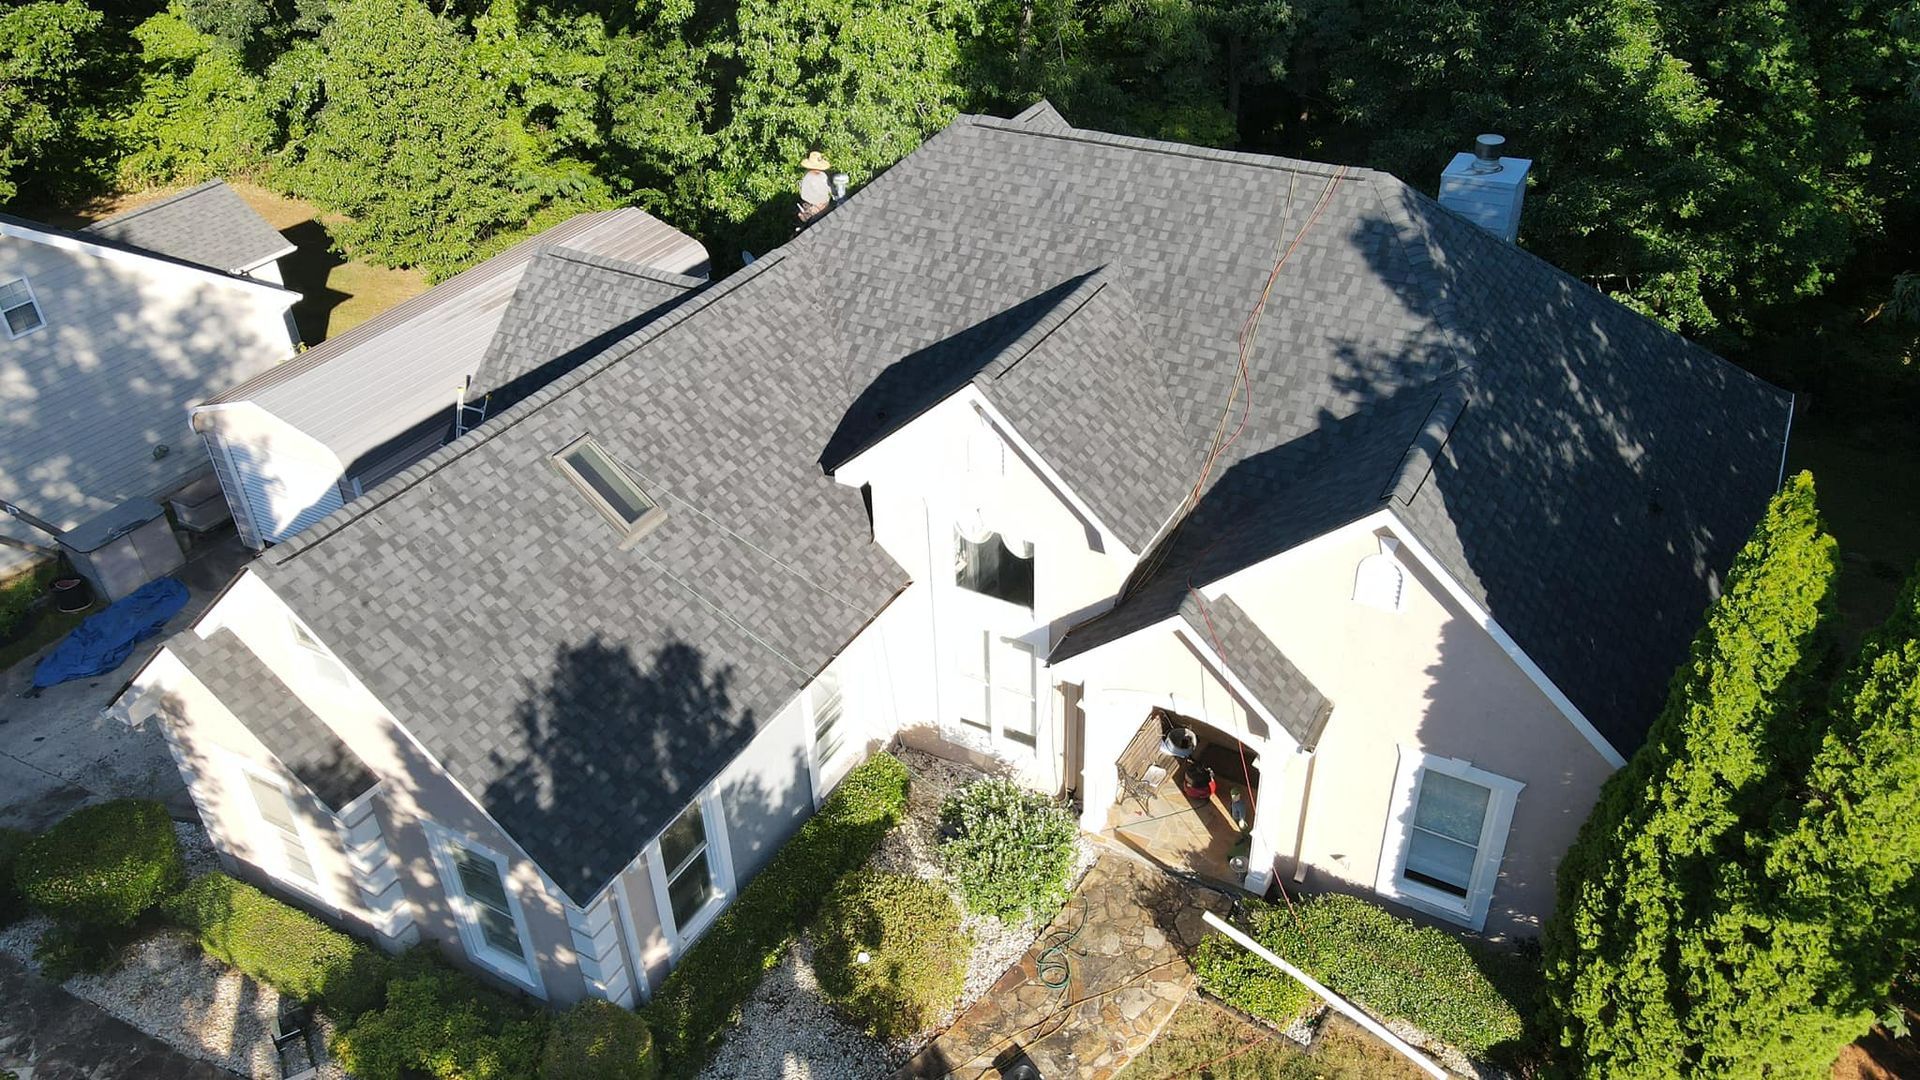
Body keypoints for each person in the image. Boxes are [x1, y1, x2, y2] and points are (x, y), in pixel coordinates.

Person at [797, 150, 833, 225]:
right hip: (818, 207)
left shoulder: (806, 174)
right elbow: (830, 190)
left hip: (808, 204)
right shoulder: (822, 176)